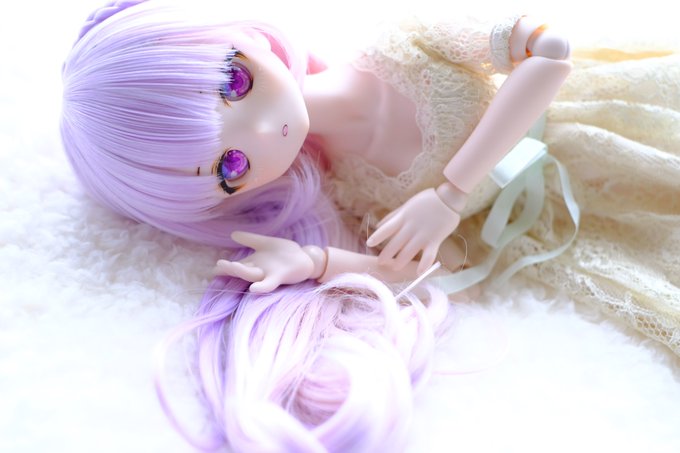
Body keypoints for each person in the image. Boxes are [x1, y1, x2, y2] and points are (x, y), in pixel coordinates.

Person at [61, 0, 680, 450]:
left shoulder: (404, 40)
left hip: (614, 117)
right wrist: (316, 263)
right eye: (231, 166)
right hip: (573, 218)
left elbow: (550, 51)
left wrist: (450, 192)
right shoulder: (350, 187)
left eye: (236, 80)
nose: (263, 129)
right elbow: (445, 264)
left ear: (244, 37)